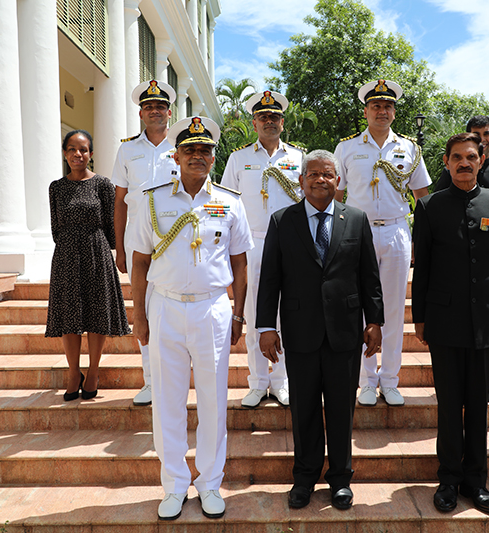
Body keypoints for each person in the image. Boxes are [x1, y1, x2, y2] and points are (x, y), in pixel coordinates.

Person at [128, 116, 252, 521]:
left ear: (214, 158)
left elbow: (240, 262)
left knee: (213, 400)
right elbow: (139, 261)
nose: (198, 156)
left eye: (205, 151)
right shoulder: (153, 199)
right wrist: (139, 314)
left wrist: (239, 314)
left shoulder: (230, 202)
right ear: (176, 156)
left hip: (212, 308)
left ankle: (210, 482)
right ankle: (174, 484)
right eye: (190, 150)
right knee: (167, 400)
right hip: (164, 306)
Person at [257, 149, 384, 511]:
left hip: (345, 331)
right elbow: (270, 278)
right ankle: (304, 478)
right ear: (301, 180)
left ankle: (341, 479)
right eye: (313, 174)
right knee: (305, 409)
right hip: (300, 331)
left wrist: (374, 321)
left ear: (338, 181)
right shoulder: (282, 220)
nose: (320, 180)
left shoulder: (356, 219)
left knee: (342, 409)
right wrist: (266, 326)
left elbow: (369, 275)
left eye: (327, 174)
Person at [412, 132, 489, 514]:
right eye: (456, 157)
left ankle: (476, 482)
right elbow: (422, 268)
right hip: (444, 321)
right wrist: (419, 318)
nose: (464, 163)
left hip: (487, 319)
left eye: (471, 157)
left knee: (477, 405)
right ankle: (448, 480)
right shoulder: (430, 207)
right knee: (449, 405)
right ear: (446, 162)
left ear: (481, 160)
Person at [334, 79, 430, 407]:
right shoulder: (347, 148)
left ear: (394, 112)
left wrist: (421, 240)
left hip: (395, 231)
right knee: (359, 306)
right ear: (366, 112)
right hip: (356, 233)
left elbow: (422, 197)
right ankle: (366, 380)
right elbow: (337, 195)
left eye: (388, 106)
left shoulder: (409, 149)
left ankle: (390, 379)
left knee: (392, 308)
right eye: (376, 106)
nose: (382, 111)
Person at [222, 90, 304, 409]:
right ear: (254, 122)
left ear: (282, 123)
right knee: (255, 314)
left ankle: (281, 381)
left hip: (289, 244)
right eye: (263, 117)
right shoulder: (238, 159)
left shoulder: (298, 158)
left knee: (285, 313)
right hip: (251, 243)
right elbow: (226, 204)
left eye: (275, 117)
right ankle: (257, 382)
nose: (269, 121)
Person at [46, 130, 131, 401]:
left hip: (96, 252)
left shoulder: (103, 184)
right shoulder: (56, 187)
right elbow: (56, 227)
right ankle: (74, 372)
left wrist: (112, 250)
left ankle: (93, 371)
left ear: (90, 154)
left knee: (97, 313)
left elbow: (111, 222)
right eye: (72, 149)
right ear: (64, 153)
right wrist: (70, 245)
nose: (77, 154)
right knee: (69, 317)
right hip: (66, 256)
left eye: (83, 149)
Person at [111, 80, 179, 406]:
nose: (155, 111)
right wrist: (119, 247)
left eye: (160, 106)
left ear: (169, 112)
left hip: (175, 238)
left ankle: (174, 378)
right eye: (149, 107)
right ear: (141, 113)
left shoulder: (182, 147)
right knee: (143, 308)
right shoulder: (127, 150)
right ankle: (151, 381)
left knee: (174, 305)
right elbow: (120, 201)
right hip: (138, 241)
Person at [434, 115, 489, 404]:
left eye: (486, 133)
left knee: (488, 336)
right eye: (476, 134)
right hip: (459, 265)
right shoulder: (453, 172)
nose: (482, 138)